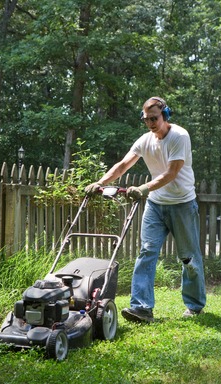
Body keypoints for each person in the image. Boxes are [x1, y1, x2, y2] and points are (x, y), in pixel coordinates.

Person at [85, 96, 206, 323]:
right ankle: (141, 308)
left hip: (182, 204)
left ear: (165, 115)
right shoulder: (144, 140)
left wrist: (143, 188)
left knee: (188, 258)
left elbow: (171, 173)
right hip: (156, 205)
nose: (150, 123)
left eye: (154, 118)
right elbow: (123, 165)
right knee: (146, 252)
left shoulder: (180, 136)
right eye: (146, 119)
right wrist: (101, 183)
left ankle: (195, 305)